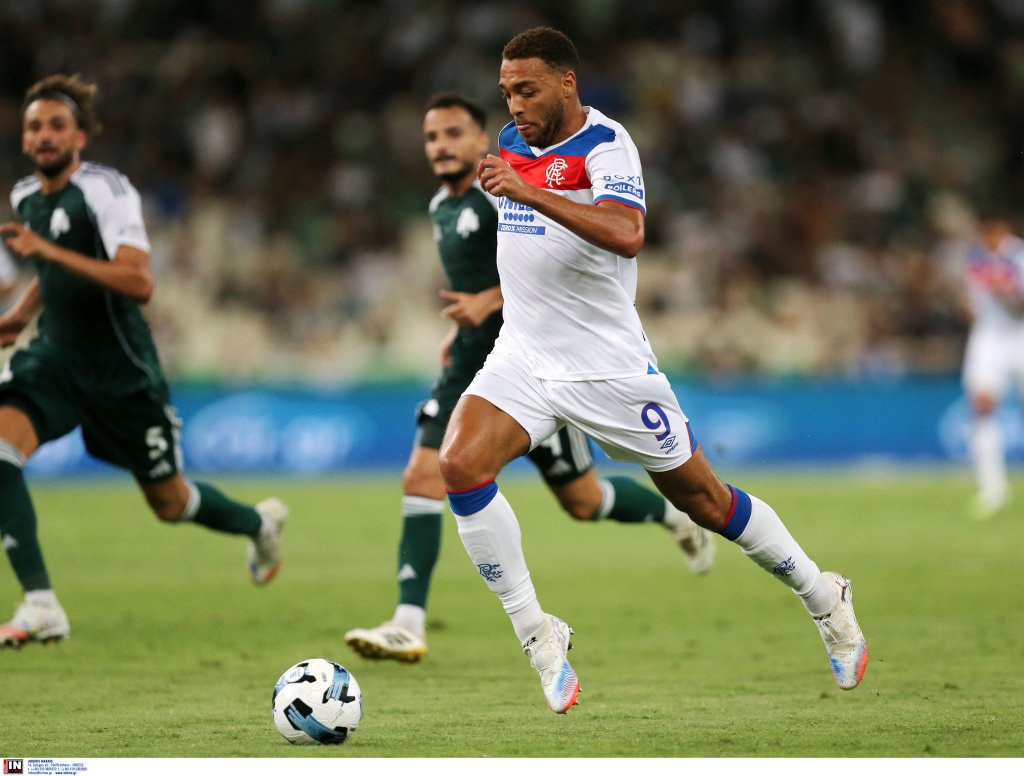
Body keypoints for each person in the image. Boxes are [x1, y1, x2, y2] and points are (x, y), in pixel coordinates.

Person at [438, 27, 868, 713]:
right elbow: (526, 248)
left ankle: (824, 596)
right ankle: (538, 634)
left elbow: (627, 233)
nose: (514, 105)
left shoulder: (606, 146)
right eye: (506, 92)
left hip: (606, 367)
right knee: (459, 465)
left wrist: (528, 192)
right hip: (522, 354)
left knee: (707, 502)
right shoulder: (515, 144)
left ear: (566, 83)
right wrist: (489, 300)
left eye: (527, 90)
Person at [344, 93, 715, 663]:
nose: (441, 146)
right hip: (481, 368)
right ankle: (408, 622)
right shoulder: (441, 207)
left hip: (543, 362)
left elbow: (551, 255)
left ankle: (673, 515)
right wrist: (461, 328)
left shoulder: (504, 190)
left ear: (481, 141)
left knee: (584, 501)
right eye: (431, 137)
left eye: (453, 134)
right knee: (425, 472)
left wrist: (487, 301)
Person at [0, 74, 287, 649]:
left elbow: (138, 281)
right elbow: (52, 269)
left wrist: (48, 252)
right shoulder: (26, 195)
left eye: (57, 125)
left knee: (170, 502)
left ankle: (259, 524)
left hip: (122, 373)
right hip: (55, 360)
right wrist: (19, 315)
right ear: (25, 138)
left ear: (80, 136)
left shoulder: (107, 191)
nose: (44, 135)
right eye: (34, 126)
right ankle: (41, 603)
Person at [962, 205, 1024, 519]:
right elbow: (971, 299)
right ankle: (993, 489)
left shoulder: (1019, 257)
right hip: (988, 336)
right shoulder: (976, 257)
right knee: (982, 406)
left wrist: (1008, 293)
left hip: (1020, 334)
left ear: (1003, 229)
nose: (987, 238)